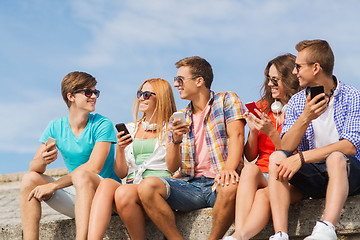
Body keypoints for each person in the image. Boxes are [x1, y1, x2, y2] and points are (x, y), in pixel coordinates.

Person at [138, 56, 246, 240]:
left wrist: (228, 169)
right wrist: (176, 140)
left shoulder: (227, 99)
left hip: (219, 182)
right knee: (146, 187)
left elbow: (236, 135)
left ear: (199, 81)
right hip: (192, 186)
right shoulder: (179, 117)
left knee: (230, 187)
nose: (175, 84)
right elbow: (172, 168)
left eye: (180, 80)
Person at [268, 39, 360, 240]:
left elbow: (350, 146)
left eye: (298, 67)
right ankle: (280, 234)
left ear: (316, 67)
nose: (294, 72)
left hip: (349, 172)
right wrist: (305, 117)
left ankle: (327, 229)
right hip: (316, 175)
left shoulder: (353, 96)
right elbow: (286, 147)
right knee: (277, 158)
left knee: (336, 157)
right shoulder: (296, 102)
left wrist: (301, 158)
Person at [20, 71, 120, 240]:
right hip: (78, 196)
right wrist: (43, 161)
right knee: (29, 179)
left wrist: (55, 185)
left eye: (96, 92)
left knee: (82, 175)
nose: (94, 96)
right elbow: (33, 167)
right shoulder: (55, 127)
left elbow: (94, 167)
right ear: (71, 96)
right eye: (88, 92)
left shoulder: (103, 124)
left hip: (105, 197)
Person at [87, 78, 177, 240]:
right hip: (129, 189)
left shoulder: (171, 129)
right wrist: (120, 148)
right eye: (140, 93)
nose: (141, 98)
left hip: (155, 190)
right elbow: (121, 173)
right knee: (107, 183)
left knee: (123, 192)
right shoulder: (130, 128)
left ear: (161, 97)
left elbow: (175, 167)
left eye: (147, 94)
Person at [223, 54, 300, 240]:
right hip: (263, 173)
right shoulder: (263, 106)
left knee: (262, 196)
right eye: (268, 79)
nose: (270, 84)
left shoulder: (300, 109)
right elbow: (250, 155)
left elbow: (292, 154)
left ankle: (239, 236)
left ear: (289, 79)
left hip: (288, 175)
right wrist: (254, 131)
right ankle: (238, 233)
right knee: (249, 169)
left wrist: (272, 132)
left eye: (275, 80)